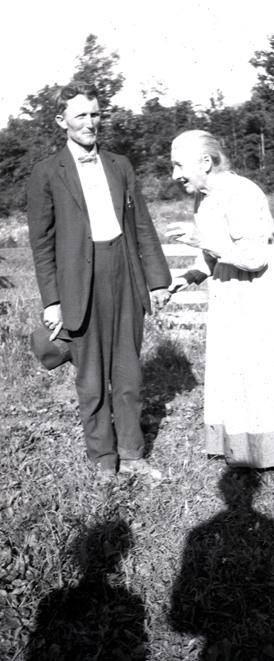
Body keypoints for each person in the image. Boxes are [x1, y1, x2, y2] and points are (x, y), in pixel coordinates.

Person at [27, 81, 171, 482]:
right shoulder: (45, 173)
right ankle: (103, 460)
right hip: (78, 284)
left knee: (129, 374)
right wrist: (52, 299)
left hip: (124, 273)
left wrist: (156, 281)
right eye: (81, 116)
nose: (91, 123)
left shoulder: (119, 164)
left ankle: (133, 453)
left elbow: (141, 223)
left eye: (95, 114)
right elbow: (41, 243)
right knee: (90, 380)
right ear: (62, 121)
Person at [167, 130, 274, 469]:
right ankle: (241, 449)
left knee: (261, 370)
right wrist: (190, 276)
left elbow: (253, 258)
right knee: (236, 367)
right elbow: (214, 254)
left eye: (178, 165)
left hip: (260, 292)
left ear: (206, 162)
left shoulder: (243, 192)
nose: (174, 175)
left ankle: (272, 453)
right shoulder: (202, 197)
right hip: (231, 290)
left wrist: (203, 240)